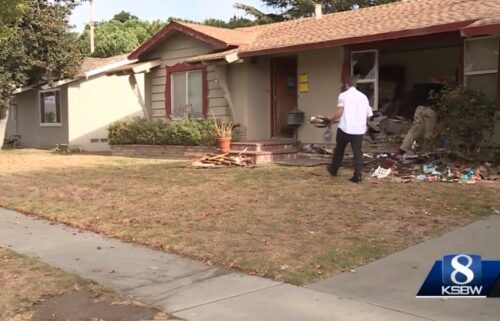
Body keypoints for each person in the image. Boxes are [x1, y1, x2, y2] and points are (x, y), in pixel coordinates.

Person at [327, 76, 373, 183]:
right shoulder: (363, 97)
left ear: (347, 84)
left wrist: (330, 119)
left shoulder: (343, 96)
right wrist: (366, 123)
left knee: (339, 150)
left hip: (345, 129)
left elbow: (339, 112)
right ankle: (358, 176)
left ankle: (333, 170)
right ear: (355, 84)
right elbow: (369, 114)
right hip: (359, 131)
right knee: (357, 153)